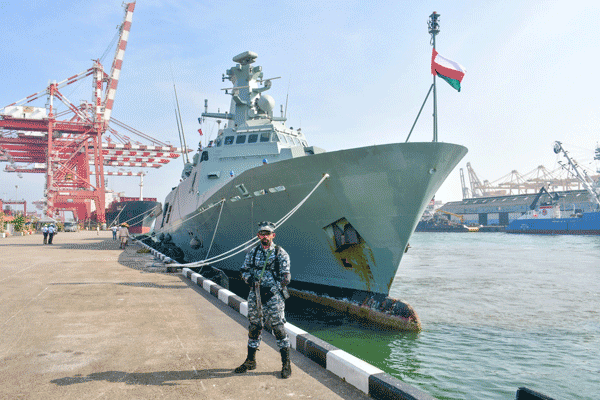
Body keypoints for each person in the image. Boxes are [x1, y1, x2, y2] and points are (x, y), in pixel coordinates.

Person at [234, 221, 292, 379]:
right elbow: (244, 270)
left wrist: (271, 291)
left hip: (274, 296)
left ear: (273, 235)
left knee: (278, 329)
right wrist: (249, 280)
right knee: (254, 326)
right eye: (262, 234)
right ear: (258, 235)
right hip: (256, 294)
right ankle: (250, 361)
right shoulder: (253, 252)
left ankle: (286, 364)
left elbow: (286, 278)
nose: (265, 236)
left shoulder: (280, 253)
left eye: (268, 234)